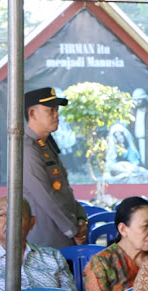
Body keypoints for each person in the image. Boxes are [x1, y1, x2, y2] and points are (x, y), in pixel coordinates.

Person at [23, 87, 88, 249]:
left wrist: (81, 218)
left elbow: (64, 190)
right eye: (50, 110)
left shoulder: (45, 145)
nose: (56, 114)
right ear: (32, 114)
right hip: (45, 243)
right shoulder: (27, 148)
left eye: (57, 109)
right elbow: (46, 196)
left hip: (63, 238)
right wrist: (73, 230)